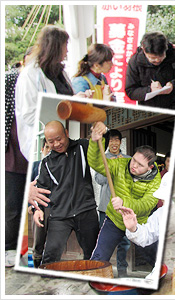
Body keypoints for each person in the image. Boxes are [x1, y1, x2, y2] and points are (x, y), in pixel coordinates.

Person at [125, 31, 175, 217]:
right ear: (144, 51)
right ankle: (147, 202)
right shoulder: (134, 61)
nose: (157, 61)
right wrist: (148, 90)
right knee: (146, 160)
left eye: (160, 57)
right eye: (152, 58)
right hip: (149, 115)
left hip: (174, 110)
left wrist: (173, 84)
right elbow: (130, 90)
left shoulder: (174, 54)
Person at [88, 121, 161, 267]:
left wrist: (124, 203)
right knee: (99, 256)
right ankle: (94, 279)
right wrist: (96, 142)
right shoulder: (121, 164)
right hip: (114, 220)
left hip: (138, 223)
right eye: (134, 159)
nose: (133, 165)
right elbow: (97, 163)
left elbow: (147, 205)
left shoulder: (156, 179)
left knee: (155, 258)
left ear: (150, 167)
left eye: (140, 165)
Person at [15, 25, 92, 161]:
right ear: (55, 47)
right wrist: (68, 103)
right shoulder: (30, 75)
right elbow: (29, 115)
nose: (67, 50)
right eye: (65, 45)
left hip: (66, 134)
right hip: (42, 142)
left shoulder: (61, 72)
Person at [34, 121, 100, 264]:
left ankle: (90, 280)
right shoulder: (46, 163)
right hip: (60, 215)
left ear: (66, 133)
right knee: (51, 254)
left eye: (59, 139)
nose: (56, 144)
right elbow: (41, 189)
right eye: (51, 141)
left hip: (86, 210)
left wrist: (101, 133)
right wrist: (37, 210)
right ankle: (45, 281)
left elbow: (100, 149)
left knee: (93, 253)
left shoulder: (83, 146)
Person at [5, 47, 34, 267]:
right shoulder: (10, 80)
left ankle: (32, 250)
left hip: (34, 153)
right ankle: (9, 248)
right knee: (12, 205)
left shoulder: (43, 82)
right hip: (13, 153)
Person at [93, 129, 131, 277]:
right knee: (105, 242)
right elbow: (99, 180)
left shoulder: (128, 159)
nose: (114, 143)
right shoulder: (103, 158)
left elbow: (132, 182)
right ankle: (102, 271)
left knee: (124, 243)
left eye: (116, 140)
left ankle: (122, 272)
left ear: (120, 142)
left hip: (123, 207)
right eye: (111, 140)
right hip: (106, 208)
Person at [28, 139, 51, 268]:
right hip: (38, 207)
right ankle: (37, 266)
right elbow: (25, 187)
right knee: (38, 240)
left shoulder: (59, 165)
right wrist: (30, 206)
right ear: (42, 150)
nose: (49, 150)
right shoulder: (35, 166)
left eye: (51, 147)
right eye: (47, 147)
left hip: (55, 207)